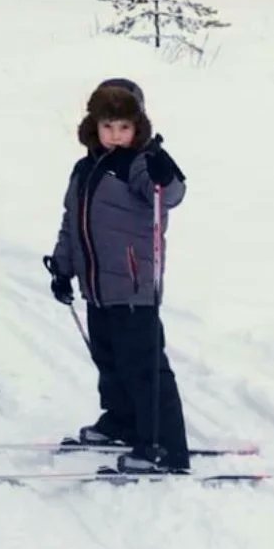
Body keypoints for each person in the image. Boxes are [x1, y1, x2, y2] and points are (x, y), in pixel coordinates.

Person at [47, 78, 190, 473]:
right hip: (96, 287)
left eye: (124, 127)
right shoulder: (85, 168)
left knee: (144, 368)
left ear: (138, 127)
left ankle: (165, 446)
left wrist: (167, 172)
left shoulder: (141, 164)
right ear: (93, 125)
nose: (114, 135)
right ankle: (122, 421)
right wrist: (63, 267)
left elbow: (172, 193)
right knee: (109, 362)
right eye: (107, 126)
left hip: (132, 287)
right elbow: (71, 223)